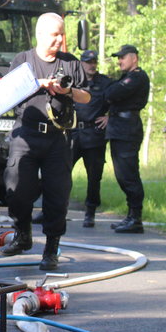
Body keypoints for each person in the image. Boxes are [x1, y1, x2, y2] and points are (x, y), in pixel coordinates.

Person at [0, 13, 90, 271]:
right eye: (54, 35)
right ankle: (22, 234)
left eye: (62, 34)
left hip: (58, 137)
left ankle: (51, 250)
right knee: (16, 188)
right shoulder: (22, 61)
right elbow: (6, 94)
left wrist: (67, 91)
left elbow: (86, 98)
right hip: (26, 133)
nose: (60, 40)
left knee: (57, 196)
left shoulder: (71, 63)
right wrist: (37, 83)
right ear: (40, 35)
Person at [105, 44, 150, 234]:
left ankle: (136, 218)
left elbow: (112, 93)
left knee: (129, 174)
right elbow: (111, 93)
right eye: (118, 58)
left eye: (123, 57)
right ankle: (131, 216)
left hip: (127, 129)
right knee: (122, 174)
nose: (119, 61)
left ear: (134, 58)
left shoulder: (137, 77)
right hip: (119, 127)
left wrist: (112, 90)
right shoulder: (126, 77)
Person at [70, 50, 112, 227]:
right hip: (72, 133)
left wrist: (111, 116)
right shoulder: (72, 80)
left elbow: (121, 99)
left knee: (94, 177)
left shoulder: (105, 82)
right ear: (81, 64)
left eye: (94, 61)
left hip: (94, 135)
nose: (92, 65)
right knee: (59, 173)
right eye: (88, 62)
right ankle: (52, 209)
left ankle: (90, 212)